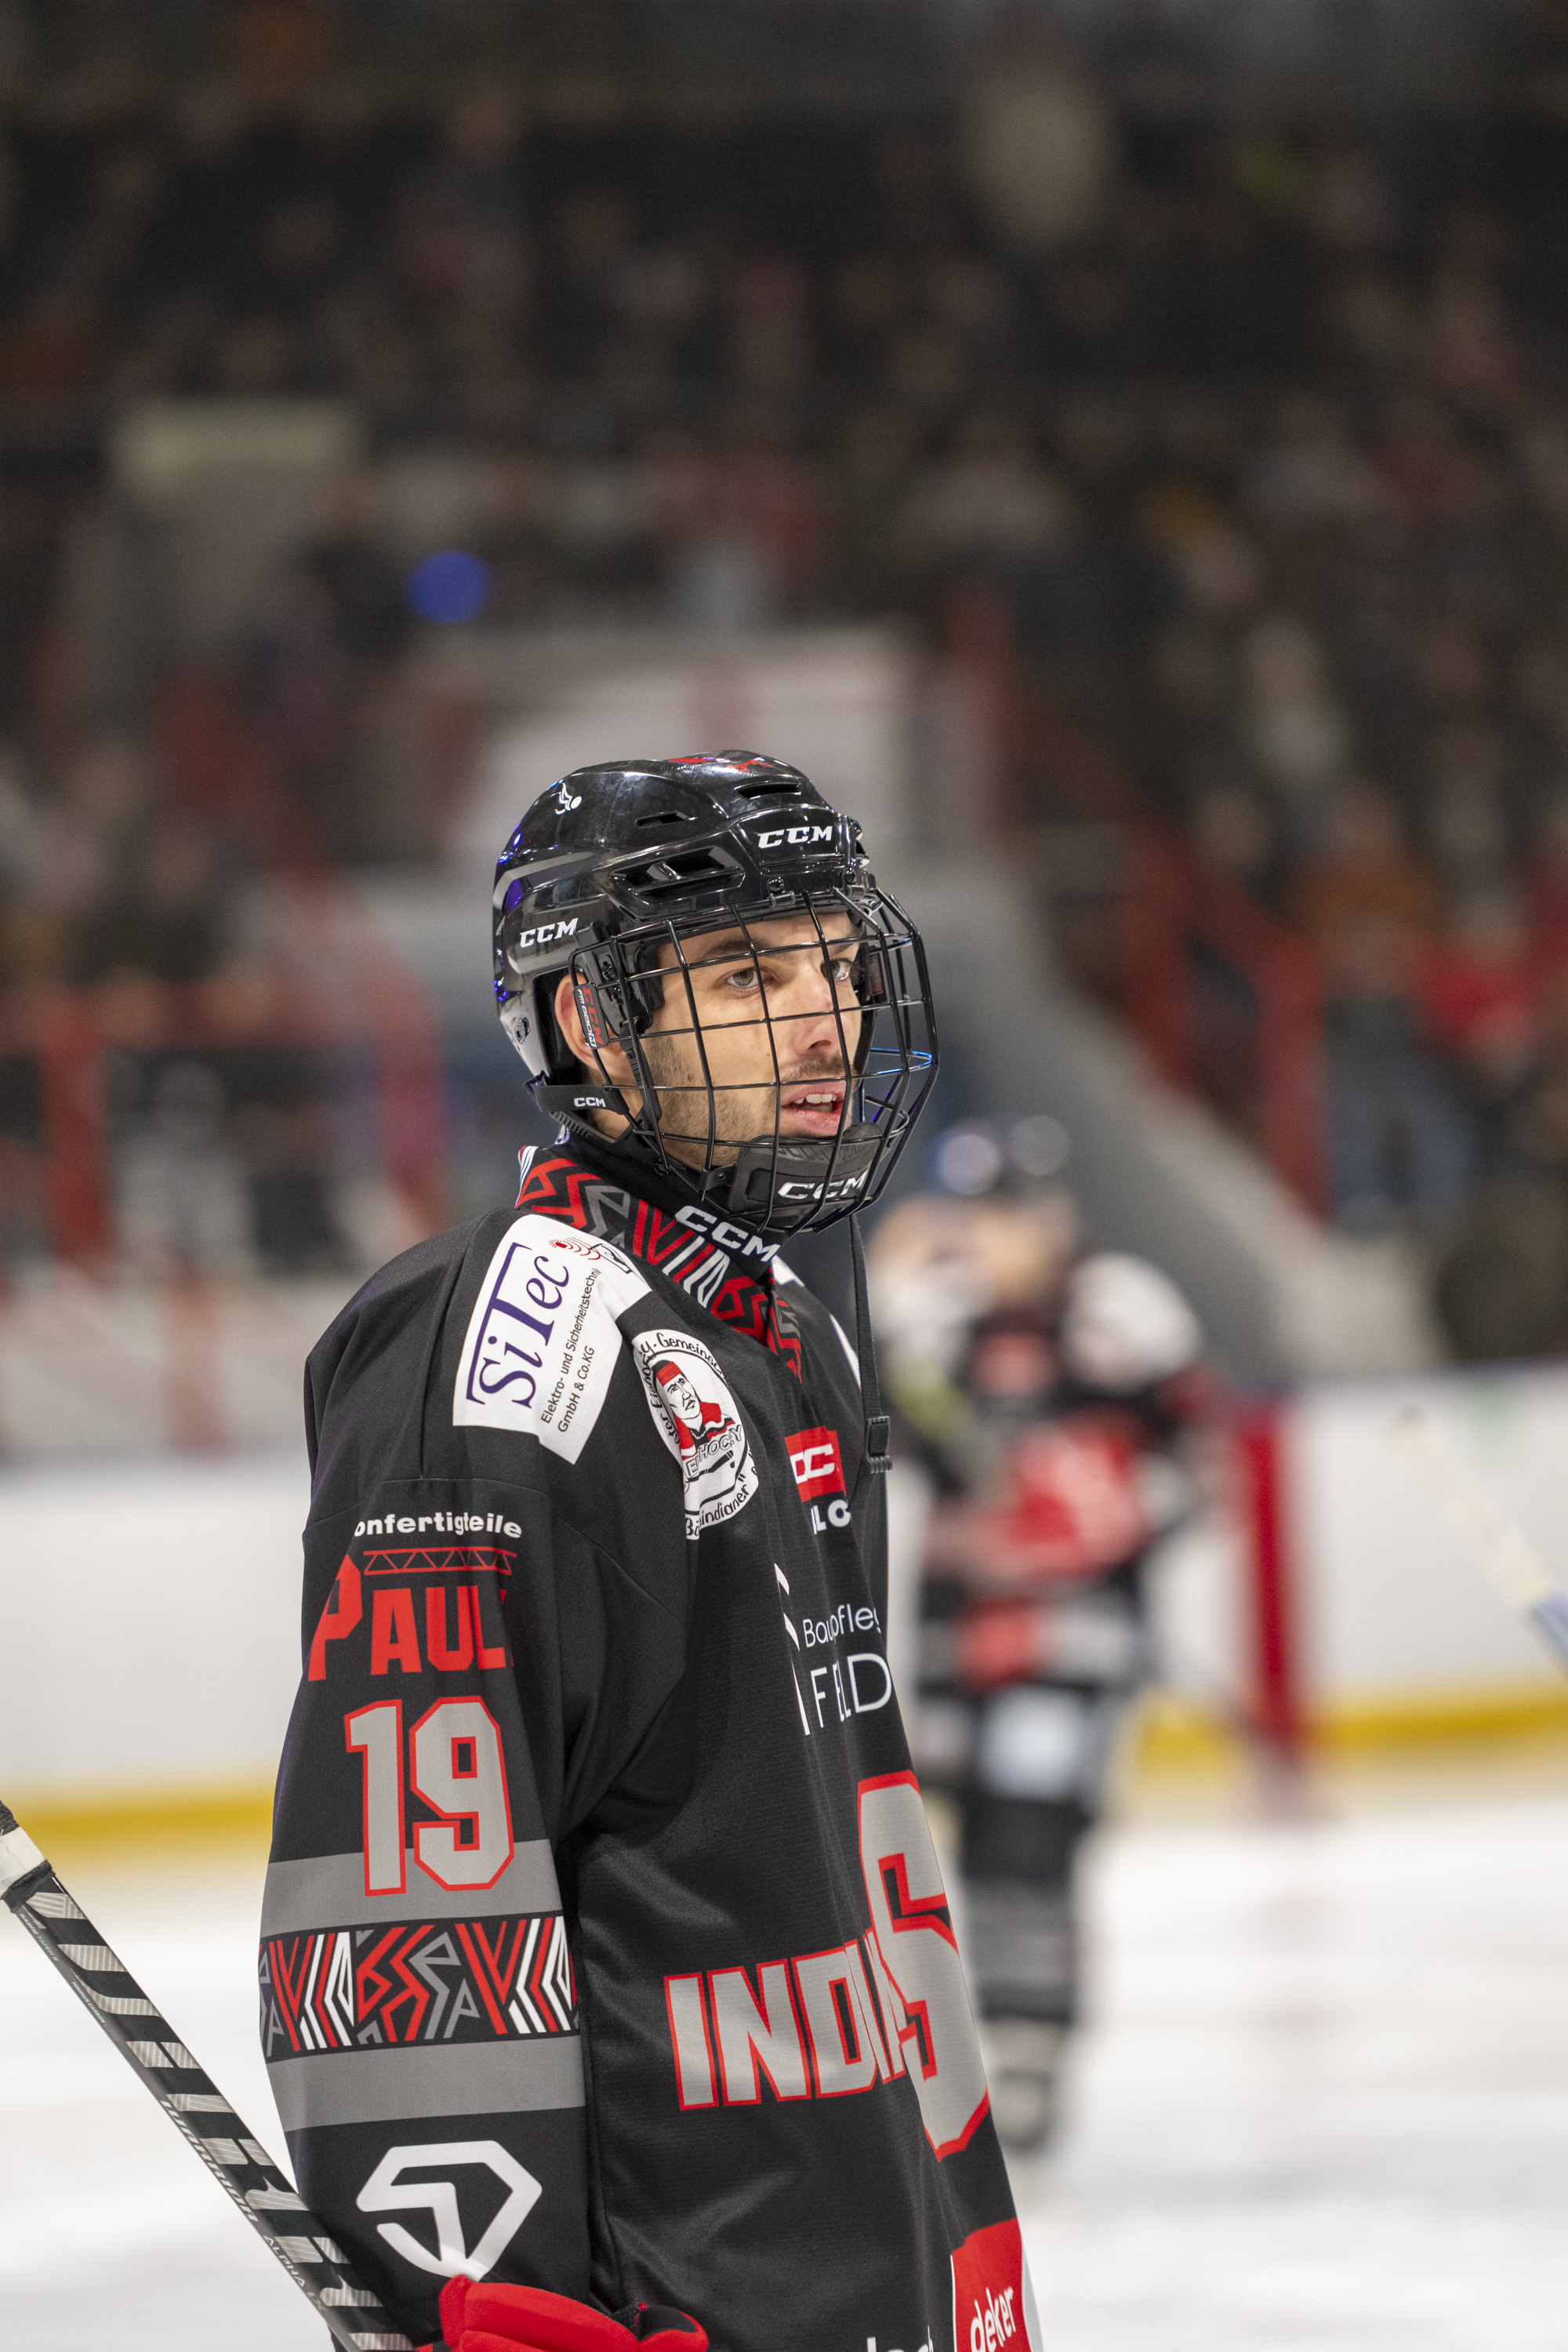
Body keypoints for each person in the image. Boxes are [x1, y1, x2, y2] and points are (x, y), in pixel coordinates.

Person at [262, 751, 1039, 2352]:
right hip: (680, 2291)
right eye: (747, 973)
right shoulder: (507, 1352)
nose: (823, 1019)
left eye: (830, 958)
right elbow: (413, 1896)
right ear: (585, 1023)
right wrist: (487, 2308)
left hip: (857, 2254)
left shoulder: (782, 1325)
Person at [871, 1116, 1205, 2152]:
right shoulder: (931, 1315)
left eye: (1012, 1211)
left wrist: (1109, 1504)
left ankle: (1030, 2045)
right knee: (962, 1840)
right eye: (979, 1214)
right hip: (958, 1627)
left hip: (1078, 1628)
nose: (996, 1235)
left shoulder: (1127, 1312)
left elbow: (1202, 1459)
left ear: (1055, 1212)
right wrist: (885, 1292)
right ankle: (993, 2040)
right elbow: (868, 1424)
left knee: (1033, 1827)